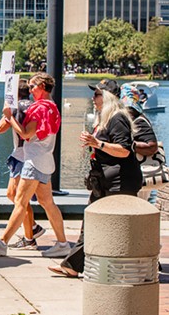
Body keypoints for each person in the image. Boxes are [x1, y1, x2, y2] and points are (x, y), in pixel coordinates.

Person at [49, 79, 141, 278]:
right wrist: (93, 144)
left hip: (120, 181)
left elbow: (124, 151)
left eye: (97, 94)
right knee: (90, 218)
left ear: (107, 97)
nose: (93, 98)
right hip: (104, 180)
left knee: (118, 225)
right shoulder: (104, 119)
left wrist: (98, 143)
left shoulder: (117, 118)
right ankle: (73, 264)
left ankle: (131, 265)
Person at [0, 73, 70, 258]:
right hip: (45, 160)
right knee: (48, 203)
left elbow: (26, 134)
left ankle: (2, 242)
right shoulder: (52, 107)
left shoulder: (40, 109)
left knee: (20, 202)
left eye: (33, 87)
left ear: (43, 86)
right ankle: (62, 244)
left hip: (33, 161)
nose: (30, 90)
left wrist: (9, 117)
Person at [0, 80, 46, 250]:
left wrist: (7, 111)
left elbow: (0, 128)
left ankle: (29, 238)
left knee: (19, 199)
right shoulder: (33, 106)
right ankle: (32, 227)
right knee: (13, 195)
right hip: (24, 156)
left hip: (23, 156)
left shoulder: (19, 108)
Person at [119, 84, 160, 202]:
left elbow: (152, 146)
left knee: (137, 208)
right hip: (135, 175)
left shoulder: (139, 121)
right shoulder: (131, 119)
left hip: (141, 174)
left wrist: (130, 145)